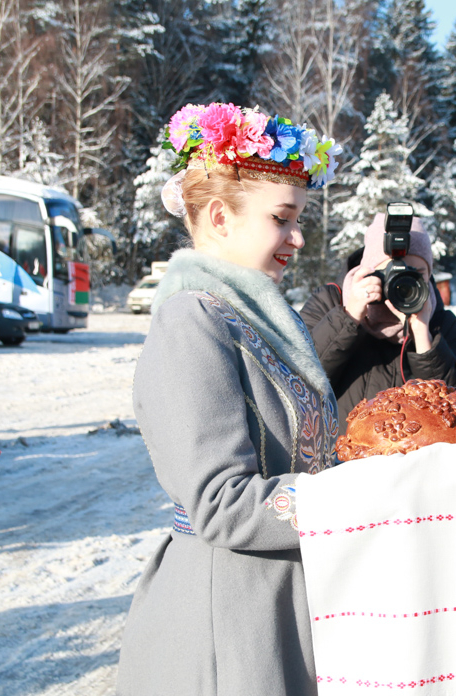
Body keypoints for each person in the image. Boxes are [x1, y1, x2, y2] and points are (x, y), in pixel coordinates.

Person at [117, 103, 342, 695]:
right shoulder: (192, 321)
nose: (296, 237)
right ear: (219, 217)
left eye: (299, 220)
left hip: (282, 604)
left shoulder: (260, 319)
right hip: (228, 623)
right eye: (282, 218)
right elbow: (220, 502)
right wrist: (363, 498)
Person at [300, 215, 456, 430]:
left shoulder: (442, 323)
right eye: (391, 274)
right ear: (370, 271)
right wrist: (349, 316)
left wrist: (422, 336)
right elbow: (299, 380)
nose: (403, 284)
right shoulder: (330, 302)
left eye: (417, 275)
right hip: (341, 457)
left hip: (414, 458)